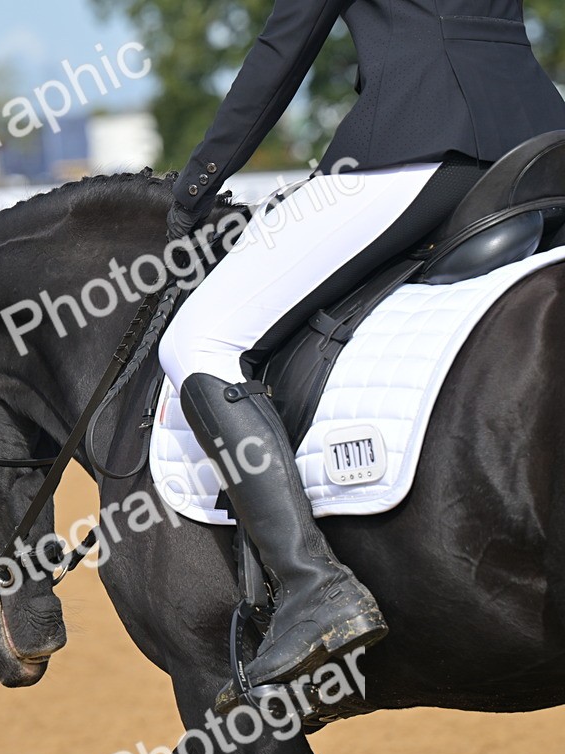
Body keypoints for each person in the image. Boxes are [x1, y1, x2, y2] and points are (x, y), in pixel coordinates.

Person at [158, 0, 565, 705]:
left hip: (419, 139)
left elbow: (281, 52)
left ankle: (314, 586)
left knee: (200, 339)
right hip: (537, 143)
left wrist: (195, 189)